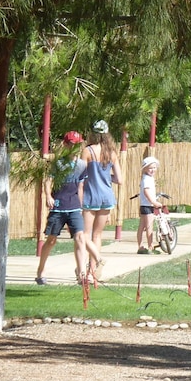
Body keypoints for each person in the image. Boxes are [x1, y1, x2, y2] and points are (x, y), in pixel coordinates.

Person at [36, 131, 88, 285]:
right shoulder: (58, 163)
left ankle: (82, 274)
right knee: (51, 240)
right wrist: (48, 196)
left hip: (74, 206)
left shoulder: (82, 165)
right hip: (59, 206)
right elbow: (48, 180)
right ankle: (41, 270)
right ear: (65, 145)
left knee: (80, 237)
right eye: (71, 144)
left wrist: (81, 206)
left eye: (77, 145)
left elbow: (81, 186)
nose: (74, 147)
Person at [79, 119, 123, 282]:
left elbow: (80, 176)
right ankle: (93, 271)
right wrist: (106, 176)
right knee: (97, 235)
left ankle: (86, 269)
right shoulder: (112, 154)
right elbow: (119, 179)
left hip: (91, 196)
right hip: (106, 197)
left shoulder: (87, 151)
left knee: (84, 235)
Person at [136, 156, 164, 254]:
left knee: (142, 226)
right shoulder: (147, 179)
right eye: (150, 168)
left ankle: (140, 247)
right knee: (149, 226)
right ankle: (150, 247)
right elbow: (146, 191)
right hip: (148, 205)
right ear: (145, 169)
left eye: (154, 168)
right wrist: (153, 202)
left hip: (144, 205)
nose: (153, 170)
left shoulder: (148, 178)